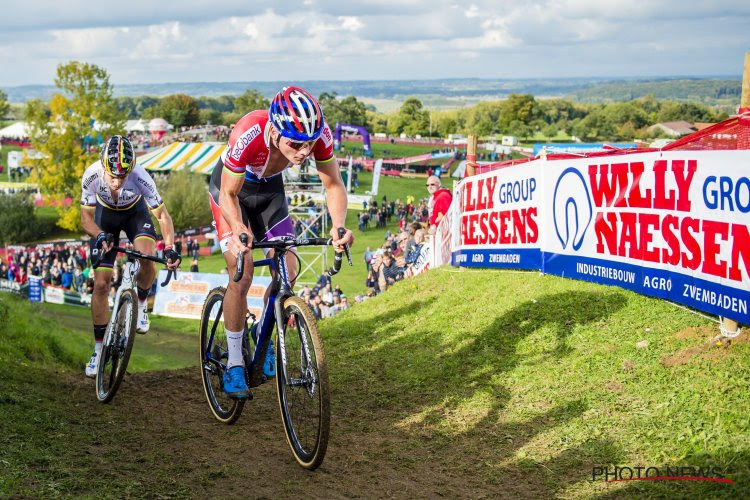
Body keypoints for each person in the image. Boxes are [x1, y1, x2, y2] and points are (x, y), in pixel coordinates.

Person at [208, 86, 354, 399]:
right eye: (295, 144)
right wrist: (237, 229)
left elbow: (334, 185)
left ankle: (263, 331)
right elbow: (228, 194)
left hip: (269, 192)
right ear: (274, 130)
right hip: (230, 191)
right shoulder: (249, 131)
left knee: (288, 266)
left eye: (310, 143)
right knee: (242, 270)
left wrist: (339, 227)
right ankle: (234, 362)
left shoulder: (318, 133)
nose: (304, 151)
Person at [80, 135, 180, 378]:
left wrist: (170, 246)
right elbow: (86, 219)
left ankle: (142, 304)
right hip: (105, 220)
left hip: (135, 215)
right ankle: (97, 349)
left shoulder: (141, 176)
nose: (117, 181)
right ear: (103, 167)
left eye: (122, 176)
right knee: (102, 284)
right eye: (112, 176)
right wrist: (101, 235)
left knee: (147, 256)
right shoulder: (92, 175)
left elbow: (163, 216)